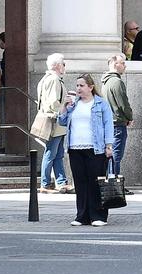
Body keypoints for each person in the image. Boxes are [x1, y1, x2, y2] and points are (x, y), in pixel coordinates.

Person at [57, 74, 114, 226]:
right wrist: (64, 105)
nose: (78, 89)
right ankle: (81, 215)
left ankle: (98, 215)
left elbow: (108, 124)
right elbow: (61, 121)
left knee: (95, 182)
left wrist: (109, 145)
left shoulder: (101, 104)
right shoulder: (74, 104)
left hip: (95, 148)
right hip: (75, 147)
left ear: (91, 87)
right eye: (77, 86)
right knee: (80, 182)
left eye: (82, 86)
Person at [37, 53, 74, 194]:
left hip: (53, 120)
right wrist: (66, 102)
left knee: (57, 153)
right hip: (55, 120)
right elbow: (53, 102)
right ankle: (45, 184)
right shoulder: (54, 80)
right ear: (58, 65)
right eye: (63, 64)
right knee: (52, 152)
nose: (65, 66)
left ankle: (61, 182)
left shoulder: (46, 79)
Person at [101, 54, 134, 194]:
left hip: (110, 122)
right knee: (116, 156)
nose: (125, 66)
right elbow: (123, 103)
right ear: (115, 64)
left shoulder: (105, 81)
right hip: (117, 122)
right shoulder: (116, 82)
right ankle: (115, 186)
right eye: (123, 63)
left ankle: (111, 183)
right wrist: (129, 116)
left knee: (111, 156)